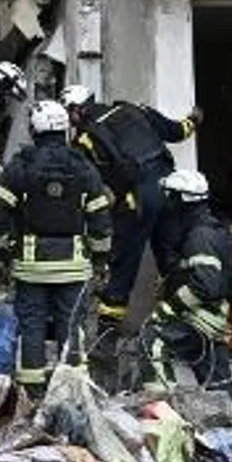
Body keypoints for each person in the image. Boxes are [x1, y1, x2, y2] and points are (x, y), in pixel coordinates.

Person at [0, 100, 113, 398]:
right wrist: (102, 258)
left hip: (31, 267)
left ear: (35, 130)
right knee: (71, 328)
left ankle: (31, 392)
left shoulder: (21, 166)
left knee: (31, 327)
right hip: (73, 267)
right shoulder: (83, 166)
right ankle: (74, 393)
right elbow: (99, 217)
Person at [60, 86, 203, 355]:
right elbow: (177, 131)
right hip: (170, 192)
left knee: (122, 266)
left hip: (137, 200)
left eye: (69, 114)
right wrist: (194, 119)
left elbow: (86, 185)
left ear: (77, 110)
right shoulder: (134, 108)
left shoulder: (84, 141)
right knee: (172, 261)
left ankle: (106, 341)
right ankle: (184, 331)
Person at [139, 169, 232, 402]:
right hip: (216, 318)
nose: (168, 202)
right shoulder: (208, 229)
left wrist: (167, 309)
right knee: (219, 384)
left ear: (181, 200)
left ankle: (163, 412)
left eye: (171, 196)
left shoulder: (200, 235)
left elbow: (205, 285)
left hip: (203, 317)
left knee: (152, 340)